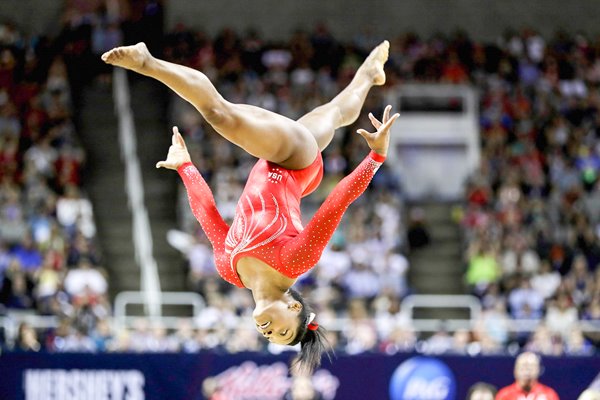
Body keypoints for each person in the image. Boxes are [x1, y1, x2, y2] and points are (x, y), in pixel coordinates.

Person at [102, 40, 398, 373]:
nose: (269, 332)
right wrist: (376, 157)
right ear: (293, 306)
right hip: (292, 160)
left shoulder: (231, 270)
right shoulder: (295, 261)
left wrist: (185, 167)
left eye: (271, 337)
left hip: (294, 171)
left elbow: (208, 216)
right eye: (283, 330)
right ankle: (147, 61)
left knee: (334, 113)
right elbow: (336, 203)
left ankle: (367, 74)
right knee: (218, 114)